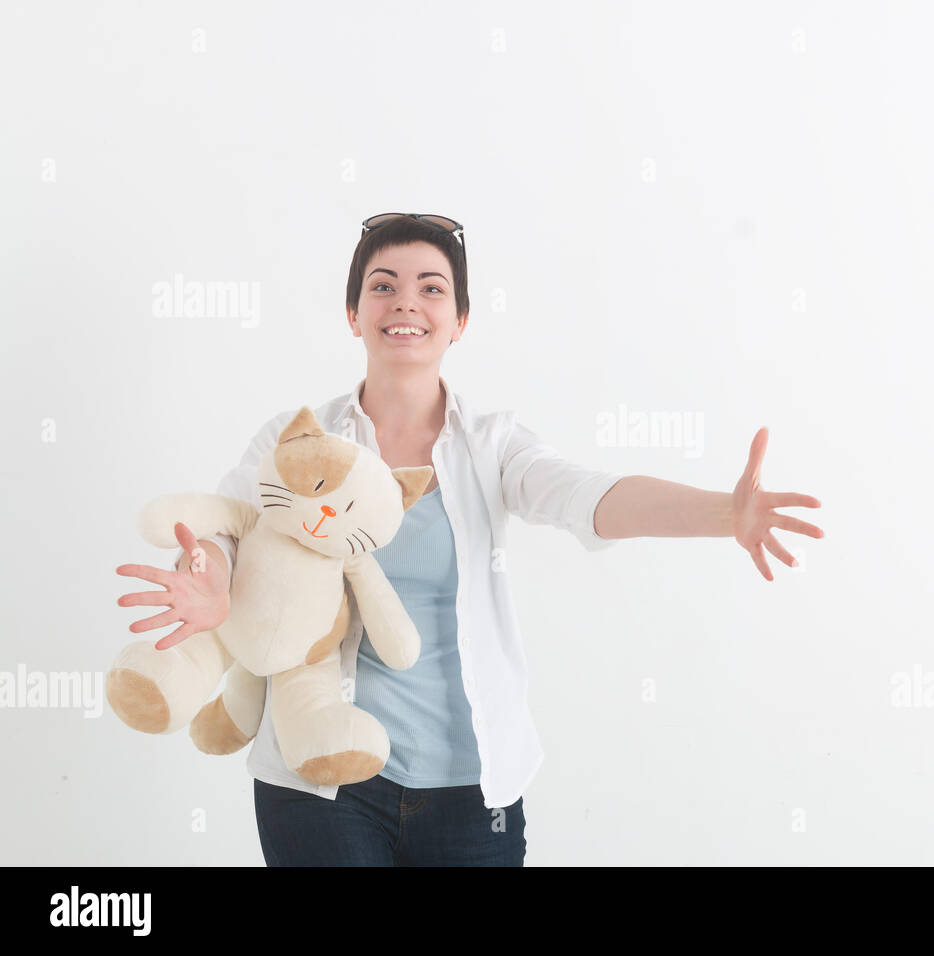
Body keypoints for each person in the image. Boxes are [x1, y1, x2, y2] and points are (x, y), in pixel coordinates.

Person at [114, 213, 824, 866]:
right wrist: (209, 573)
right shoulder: (295, 440)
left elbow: (589, 498)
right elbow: (225, 529)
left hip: (468, 791)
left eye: (431, 288)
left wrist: (721, 513)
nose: (405, 303)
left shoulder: (492, 446)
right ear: (353, 312)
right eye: (383, 286)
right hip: (320, 781)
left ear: (459, 320)